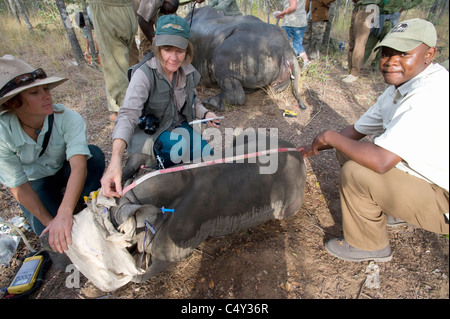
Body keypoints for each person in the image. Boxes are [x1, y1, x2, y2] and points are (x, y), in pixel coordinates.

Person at [299, 19, 449, 262]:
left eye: (403, 54)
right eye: (387, 54)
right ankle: (394, 210)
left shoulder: (431, 94)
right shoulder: (402, 85)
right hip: (424, 178)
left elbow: (381, 161)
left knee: (357, 173)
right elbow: (356, 131)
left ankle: (369, 245)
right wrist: (311, 148)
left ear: (429, 54)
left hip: (444, 200)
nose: (391, 62)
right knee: (348, 151)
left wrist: (329, 136)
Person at [101, 14, 221, 198]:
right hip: (153, 133)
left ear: (187, 50)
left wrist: (206, 114)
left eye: (179, 50)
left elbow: (193, 101)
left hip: (179, 127)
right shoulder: (144, 74)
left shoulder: (187, 72)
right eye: (167, 49)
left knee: (208, 158)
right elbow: (127, 115)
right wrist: (115, 159)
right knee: (180, 160)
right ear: (157, 49)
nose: (173, 58)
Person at [0, 55, 105, 254]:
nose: (46, 96)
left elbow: (78, 166)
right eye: (34, 92)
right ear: (12, 104)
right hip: (35, 182)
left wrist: (65, 214)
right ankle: (61, 211)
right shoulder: (3, 133)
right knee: (50, 237)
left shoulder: (67, 118)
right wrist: (52, 222)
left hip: (63, 169)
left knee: (94, 155)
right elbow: (18, 186)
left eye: (46, 89)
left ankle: (83, 207)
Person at [89, 0, 140, 122]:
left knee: (115, 67)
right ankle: (139, 103)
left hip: (106, 8)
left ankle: (124, 115)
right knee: (132, 62)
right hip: (129, 8)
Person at [363, 0, 422, 73]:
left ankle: (375, 67)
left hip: (390, 19)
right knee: (369, 43)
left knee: (384, 46)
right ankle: (358, 65)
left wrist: (404, 7)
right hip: (378, 17)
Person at [342, 0, 380, 83]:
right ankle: (350, 71)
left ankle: (354, 73)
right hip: (358, 7)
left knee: (359, 42)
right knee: (352, 42)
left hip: (367, 8)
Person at [276, 0, 310, 66]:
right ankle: (306, 61)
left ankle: (282, 64)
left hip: (290, 22)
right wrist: (284, 13)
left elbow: (293, 7)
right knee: (297, 44)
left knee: (283, 44)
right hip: (301, 22)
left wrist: (281, 13)